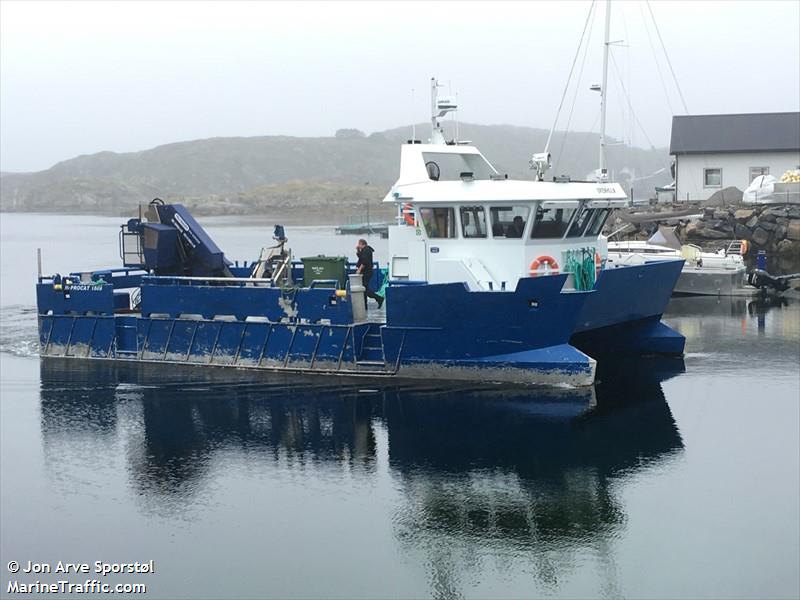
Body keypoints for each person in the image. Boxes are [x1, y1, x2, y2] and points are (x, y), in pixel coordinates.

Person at [355, 239, 384, 309]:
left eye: (359, 244)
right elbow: (361, 257)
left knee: (365, 290)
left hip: (366, 272)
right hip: (365, 272)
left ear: (362, 244)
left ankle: (379, 298)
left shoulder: (366, 250)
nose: (358, 245)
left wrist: (359, 269)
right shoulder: (364, 250)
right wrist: (358, 250)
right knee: (364, 289)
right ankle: (365, 305)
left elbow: (364, 261)